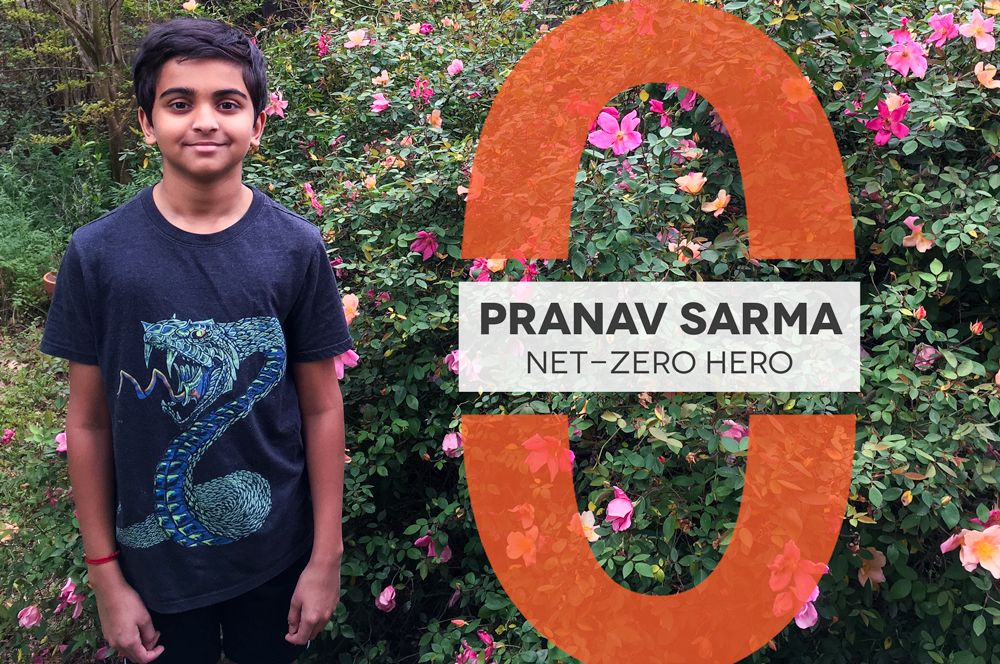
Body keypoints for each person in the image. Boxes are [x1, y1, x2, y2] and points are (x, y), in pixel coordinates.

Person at [39, 17, 354, 664]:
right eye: (180, 103)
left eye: (228, 103)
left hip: (278, 559)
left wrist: (326, 555)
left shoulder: (296, 249)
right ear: (148, 123)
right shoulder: (97, 256)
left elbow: (321, 407)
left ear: (258, 124)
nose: (205, 120)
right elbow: (90, 423)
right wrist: (104, 576)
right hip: (149, 571)